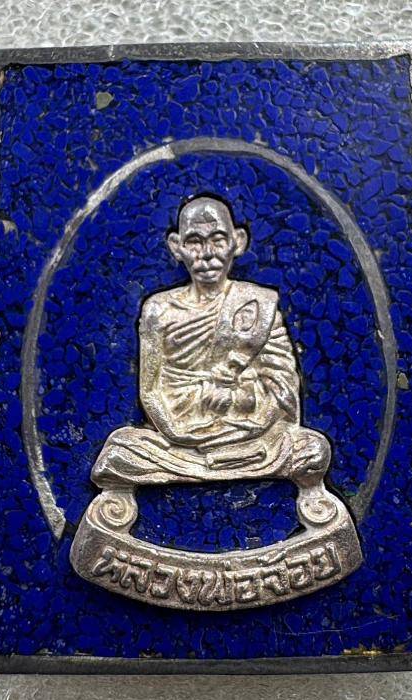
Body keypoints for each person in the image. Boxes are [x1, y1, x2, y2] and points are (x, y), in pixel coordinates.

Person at [92, 196, 336, 524]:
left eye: (218, 240)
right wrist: (177, 432)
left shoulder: (258, 305)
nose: (207, 254)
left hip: (249, 433)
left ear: (238, 241)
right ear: (176, 247)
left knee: (313, 450)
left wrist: (244, 400)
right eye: (194, 242)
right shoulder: (158, 310)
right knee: (119, 452)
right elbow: (150, 391)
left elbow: (282, 385)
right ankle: (199, 465)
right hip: (178, 436)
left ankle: (217, 465)